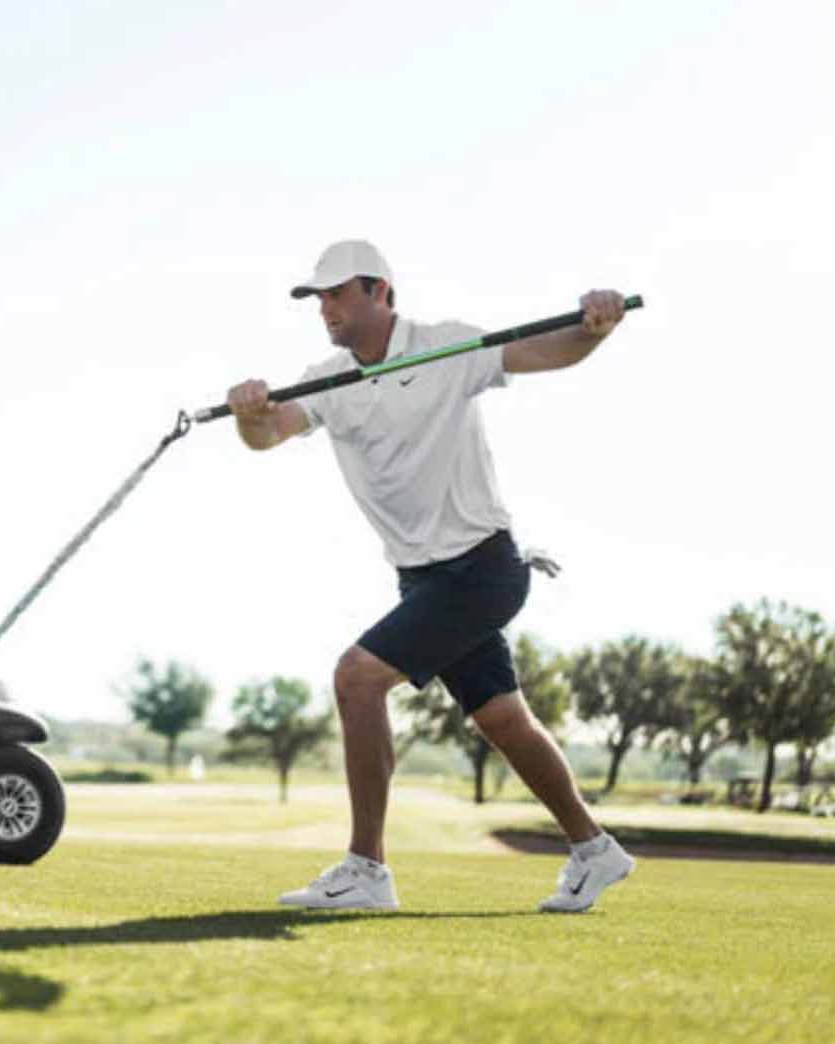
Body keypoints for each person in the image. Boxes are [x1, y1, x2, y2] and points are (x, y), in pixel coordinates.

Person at [225, 239, 634, 914]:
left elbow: (545, 351)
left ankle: (367, 869)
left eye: (336, 294)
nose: (325, 308)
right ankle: (594, 849)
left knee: (357, 678)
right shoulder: (328, 380)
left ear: (379, 292)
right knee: (504, 720)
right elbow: (269, 433)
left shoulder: (446, 347)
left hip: (483, 569)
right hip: (422, 582)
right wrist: (250, 414)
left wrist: (594, 326)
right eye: (317, 298)